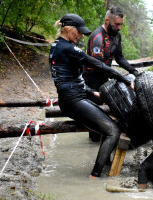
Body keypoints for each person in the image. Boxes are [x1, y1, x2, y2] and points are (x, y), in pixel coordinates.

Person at [49, 13, 134, 177]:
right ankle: (95, 176)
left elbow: (66, 79)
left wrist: (91, 92)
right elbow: (99, 65)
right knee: (113, 131)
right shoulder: (68, 48)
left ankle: (107, 164)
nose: (81, 35)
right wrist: (125, 80)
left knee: (107, 125)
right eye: (78, 32)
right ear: (67, 29)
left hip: (71, 98)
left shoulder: (57, 46)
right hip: (73, 101)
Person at [83, 5, 138, 102]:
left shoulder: (117, 36)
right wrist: (120, 77)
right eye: (116, 24)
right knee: (97, 107)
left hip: (104, 74)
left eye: (121, 24)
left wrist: (132, 70)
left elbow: (119, 57)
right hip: (92, 77)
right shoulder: (98, 37)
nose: (119, 27)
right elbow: (98, 66)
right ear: (107, 21)